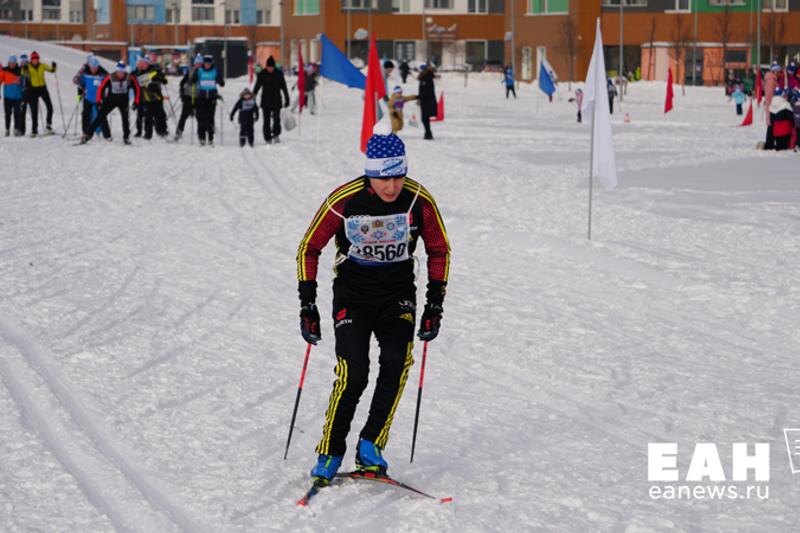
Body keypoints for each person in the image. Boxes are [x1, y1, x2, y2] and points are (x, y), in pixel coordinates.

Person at [295, 122, 451, 484]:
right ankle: (331, 450)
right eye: (384, 179)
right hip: (354, 295)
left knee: (398, 361)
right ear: (370, 175)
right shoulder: (344, 201)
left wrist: (434, 305)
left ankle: (370, 445)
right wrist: (308, 305)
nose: (392, 186)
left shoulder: (417, 200)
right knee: (355, 373)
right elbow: (309, 248)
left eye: (398, 177)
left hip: (397, 295)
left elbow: (439, 249)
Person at [81, 61, 140, 145]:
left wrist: (136, 102)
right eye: (119, 72)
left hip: (123, 102)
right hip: (110, 101)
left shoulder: (129, 78)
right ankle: (88, 135)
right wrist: (98, 101)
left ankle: (126, 138)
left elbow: (137, 89)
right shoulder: (110, 77)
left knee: (125, 120)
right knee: (100, 117)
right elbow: (100, 88)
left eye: (122, 72)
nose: (121, 74)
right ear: (116, 71)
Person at [252, 55, 289, 144]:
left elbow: (284, 87)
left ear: (274, 66)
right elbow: (257, 86)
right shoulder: (262, 74)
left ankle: (276, 134)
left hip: (276, 100)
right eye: (269, 67)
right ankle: (267, 137)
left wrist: (287, 98)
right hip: (266, 100)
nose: (270, 69)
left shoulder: (279, 74)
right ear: (266, 66)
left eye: (272, 67)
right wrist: (253, 96)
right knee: (266, 120)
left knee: (276, 119)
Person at [191, 54, 225, 146]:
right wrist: (194, 78)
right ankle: (201, 137)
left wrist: (220, 80)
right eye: (205, 63)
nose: (207, 65)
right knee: (201, 118)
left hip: (211, 97)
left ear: (211, 63)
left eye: (209, 63)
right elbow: (192, 81)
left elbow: (222, 83)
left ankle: (210, 137)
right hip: (201, 97)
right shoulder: (199, 71)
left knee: (210, 118)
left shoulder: (215, 71)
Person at [74, 56, 111, 140]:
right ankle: (85, 133)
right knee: (85, 115)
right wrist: (78, 97)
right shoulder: (85, 73)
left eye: (96, 67)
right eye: (92, 67)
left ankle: (107, 135)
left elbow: (110, 83)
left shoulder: (103, 74)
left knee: (102, 117)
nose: (94, 69)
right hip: (88, 98)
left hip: (100, 99)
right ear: (89, 66)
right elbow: (78, 83)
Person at [132, 57, 169, 139]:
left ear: (146, 63)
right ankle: (147, 134)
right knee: (147, 116)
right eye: (139, 64)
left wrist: (160, 77)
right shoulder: (138, 72)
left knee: (160, 115)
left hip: (157, 97)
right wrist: (150, 77)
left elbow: (165, 80)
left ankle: (162, 131)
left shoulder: (154, 69)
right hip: (146, 98)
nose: (140, 66)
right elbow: (140, 81)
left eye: (142, 64)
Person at [24, 51, 57, 136]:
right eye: (34, 59)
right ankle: (34, 130)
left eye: (37, 58)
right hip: (33, 89)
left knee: (50, 107)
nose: (35, 60)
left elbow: (51, 70)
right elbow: (22, 73)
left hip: (43, 89)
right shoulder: (28, 66)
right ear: (31, 59)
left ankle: (48, 126)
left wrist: (54, 67)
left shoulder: (42, 65)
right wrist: (24, 69)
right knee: (34, 111)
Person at [175, 54, 203, 141]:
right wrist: (182, 93)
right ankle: (178, 132)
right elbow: (182, 83)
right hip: (188, 96)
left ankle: (201, 135)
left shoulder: (203, 72)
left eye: (200, 63)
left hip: (199, 97)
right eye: (197, 63)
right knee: (184, 115)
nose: (198, 65)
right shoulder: (190, 71)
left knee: (200, 117)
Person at [0, 55, 24, 136]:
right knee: (8, 114)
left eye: (13, 63)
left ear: (16, 63)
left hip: (18, 97)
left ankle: (16, 129)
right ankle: (7, 129)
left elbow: (24, 83)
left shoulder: (20, 71)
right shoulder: (4, 71)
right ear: (8, 63)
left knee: (17, 113)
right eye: (10, 63)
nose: (12, 64)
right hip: (7, 97)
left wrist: (20, 83)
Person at [769, 87, 794, 151]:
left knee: (780, 145)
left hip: (776, 132)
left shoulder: (771, 105)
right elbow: (792, 118)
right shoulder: (786, 104)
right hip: (786, 131)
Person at [417, 64, 438, 140]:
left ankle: (428, 134)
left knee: (424, 118)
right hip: (427, 101)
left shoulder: (426, 78)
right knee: (425, 118)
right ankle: (427, 133)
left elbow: (426, 91)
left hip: (427, 101)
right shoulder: (425, 77)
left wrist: (420, 99)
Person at [763, 62, 780, 150]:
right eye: (777, 71)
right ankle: (769, 144)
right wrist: (769, 107)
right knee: (771, 125)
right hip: (771, 106)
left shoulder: (773, 79)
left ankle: (770, 143)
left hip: (773, 106)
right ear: (774, 71)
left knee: (772, 125)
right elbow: (769, 95)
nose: (779, 72)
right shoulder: (771, 80)